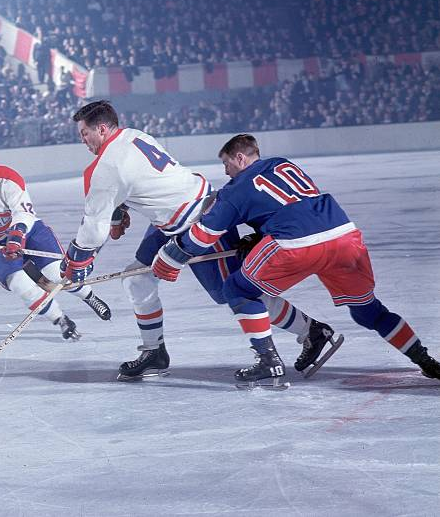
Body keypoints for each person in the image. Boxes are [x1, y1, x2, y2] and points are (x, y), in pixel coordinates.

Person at [60, 100, 342, 380]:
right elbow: (138, 181)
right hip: (176, 218)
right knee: (136, 278)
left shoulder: (107, 165)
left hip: (201, 221)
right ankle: (154, 353)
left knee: (233, 291)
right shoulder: (133, 135)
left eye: (84, 133)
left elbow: (93, 231)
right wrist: (118, 214)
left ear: (102, 128)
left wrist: (75, 261)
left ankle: (312, 331)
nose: (82, 140)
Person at [152, 133, 440, 387]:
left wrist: (172, 255)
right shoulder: (283, 164)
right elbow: (286, 204)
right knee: (368, 310)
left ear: (240, 158)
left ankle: (268, 361)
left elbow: (205, 235)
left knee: (237, 289)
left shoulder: (235, 188)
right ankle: (425, 360)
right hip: (342, 234)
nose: (226, 173)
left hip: (296, 243)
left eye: (226, 165)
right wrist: (259, 234)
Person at [0, 137, 111, 340]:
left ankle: (89, 297)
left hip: (29, 232)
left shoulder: (9, 178)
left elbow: (23, 212)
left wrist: (16, 237)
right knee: (20, 285)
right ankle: (60, 319)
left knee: (57, 274)